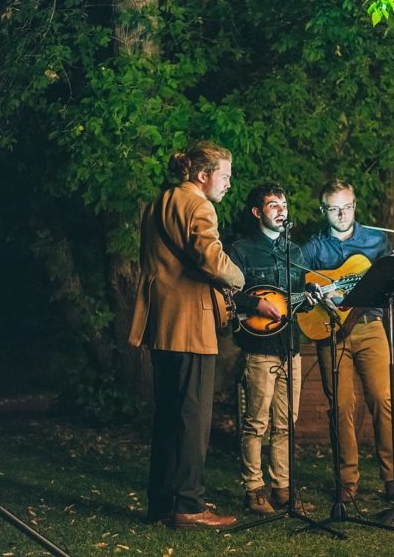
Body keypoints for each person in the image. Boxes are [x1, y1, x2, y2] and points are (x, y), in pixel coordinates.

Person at [128, 140, 245, 529]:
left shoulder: (159, 202)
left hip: (162, 322)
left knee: (168, 417)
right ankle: (190, 506)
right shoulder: (199, 205)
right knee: (192, 420)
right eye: (224, 176)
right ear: (202, 175)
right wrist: (240, 277)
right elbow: (211, 259)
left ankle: (161, 504)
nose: (228, 183)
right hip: (191, 324)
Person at [301, 179, 394, 504]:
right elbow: (297, 282)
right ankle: (346, 481)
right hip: (329, 331)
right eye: (334, 208)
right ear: (324, 210)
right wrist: (318, 295)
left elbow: (392, 283)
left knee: (383, 400)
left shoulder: (376, 241)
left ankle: (393, 481)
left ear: (355, 205)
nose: (341, 214)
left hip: (369, 326)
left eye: (347, 207)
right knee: (340, 406)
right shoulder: (314, 247)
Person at [227, 183, 316, 515]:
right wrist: (255, 302)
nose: (281, 210)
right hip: (259, 348)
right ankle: (254, 489)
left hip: (290, 347)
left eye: (284, 205)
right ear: (257, 212)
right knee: (255, 423)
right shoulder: (242, 251)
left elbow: (300, 301)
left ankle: (283, 488)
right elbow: (228, 295)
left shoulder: (296, 251)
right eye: (273, 205)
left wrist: (310, 300)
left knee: (286, 423)